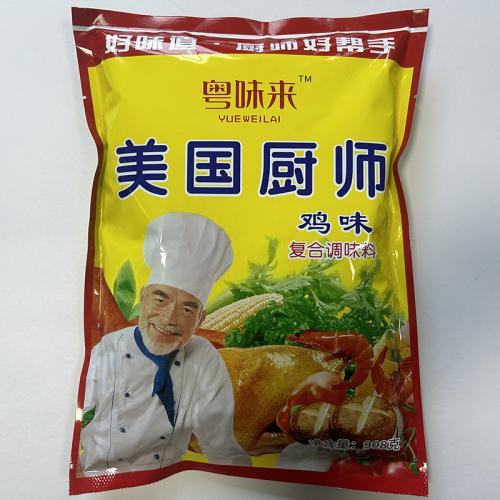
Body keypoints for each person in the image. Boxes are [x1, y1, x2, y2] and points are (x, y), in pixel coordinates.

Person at [79, 212, 251, 474]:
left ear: (200, 319)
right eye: (160, 299)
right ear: (143, 298)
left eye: (187, 309)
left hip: (170, 480)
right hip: (100, 474)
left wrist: (244, 483)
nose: (170, 318)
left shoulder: (203, 357)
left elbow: (221, 446)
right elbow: (69, 410)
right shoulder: (110, 347)